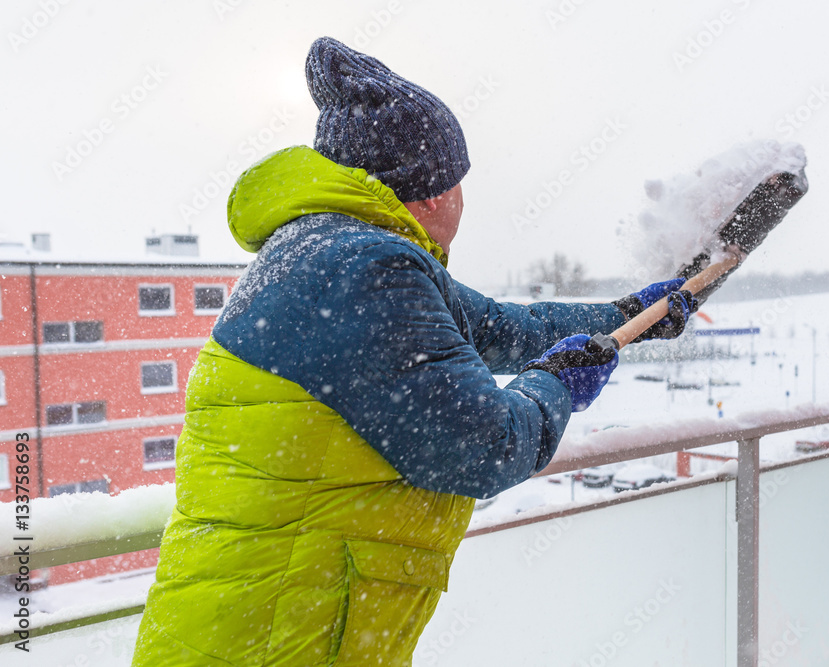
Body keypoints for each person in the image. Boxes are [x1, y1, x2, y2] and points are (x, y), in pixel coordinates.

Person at [131, 37, 694, 666]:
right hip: (276, 633)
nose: (463, 196)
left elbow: (501, 328)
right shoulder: (365, 270)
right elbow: (486, 446)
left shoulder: (330, 249)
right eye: (459, 180)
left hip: (254, 619)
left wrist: (628, 318)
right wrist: (555, 384)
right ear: (429, 193)